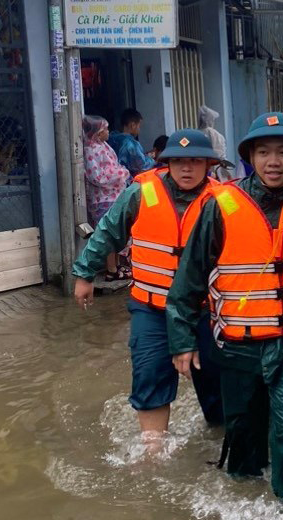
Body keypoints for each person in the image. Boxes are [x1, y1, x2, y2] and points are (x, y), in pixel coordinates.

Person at [166, 112, 283, 500]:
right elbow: (189, 278)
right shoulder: (220, 206)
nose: (274, 161)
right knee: (242, 428)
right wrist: (182, 339)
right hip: (239, 342)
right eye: (264, 152)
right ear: (250, 158)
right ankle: (242, 495)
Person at [72, 129, 225, 441]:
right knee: (150, 375)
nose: (186, 168)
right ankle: (152, 452)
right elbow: (108, 231)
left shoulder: (224, 201)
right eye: (178, 161)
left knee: (218, 382)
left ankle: (217, 441)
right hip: (152, 308)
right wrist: (85, 274)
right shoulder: (141, 192)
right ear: (165, 162)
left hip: (207, 310)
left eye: (195, 161)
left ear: (208, 164)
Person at [81, 115, 130, 281]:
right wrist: (121, 173)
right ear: (98, 132)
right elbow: (97, 177)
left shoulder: (102, 146)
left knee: (117, 233)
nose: (108, 132)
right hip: (102, 199)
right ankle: (111, 269)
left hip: (114, 197)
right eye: (106, 129)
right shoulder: (91, 150)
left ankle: (116, 265)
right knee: (108, 234)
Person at [108, 108, 157, 177]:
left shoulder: (111, 139)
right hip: (128, 182)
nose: (139, 129)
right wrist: (152, 160)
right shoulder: (131, 144)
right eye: (139, 126)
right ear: (133, 125)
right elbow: (142, 165)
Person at [197, 105, 233, 181]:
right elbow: (220, 154)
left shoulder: (197, 134)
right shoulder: (215, 134)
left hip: (202, 170)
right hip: (215, 170)